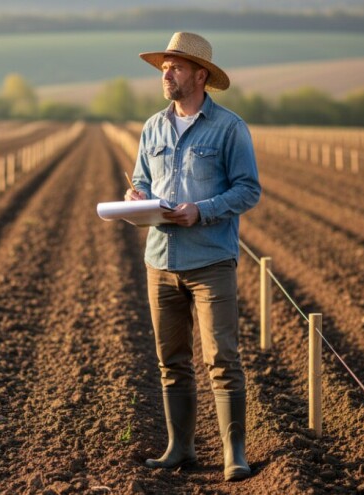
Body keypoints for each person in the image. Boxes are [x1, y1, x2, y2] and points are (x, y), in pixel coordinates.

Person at [125, 32, 261, 481]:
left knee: (222, 358)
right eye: (164, 67)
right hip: (160, 261)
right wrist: (136, 197)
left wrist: (201, 211)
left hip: (211, 262)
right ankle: (179, 448)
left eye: (176, 67)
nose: (167, 73)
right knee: (171, 361)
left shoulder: (229, 128)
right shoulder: (153, 127)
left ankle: (233, 454)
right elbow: (143, 179)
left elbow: (247, 190)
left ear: (200, 75)